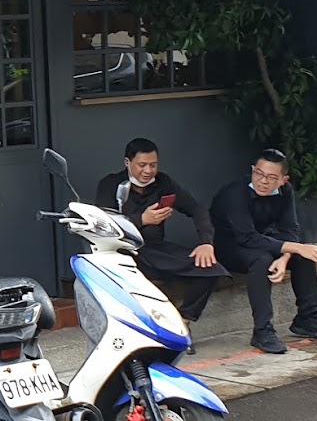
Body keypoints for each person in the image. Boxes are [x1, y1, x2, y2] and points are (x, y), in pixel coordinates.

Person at [95, 137, 227, 353]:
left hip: (155, 249)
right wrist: (141, 219)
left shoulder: (164, 183)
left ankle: (181, 324)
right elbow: (103, 223)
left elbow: (197, 209)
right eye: (142, 165)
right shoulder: (111, 185)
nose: (148, 171)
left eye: (153, 165)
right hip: (122, 251)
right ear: (128, 162)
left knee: (210, 268)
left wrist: (206, 242)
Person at [209, 148, 317, 354]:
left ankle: (307, 319)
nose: (263, 181)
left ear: (283, 180)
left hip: (265, 242)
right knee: (262, 259)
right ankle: (262, 331)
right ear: (253, 170)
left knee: (302, 254)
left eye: (272, 177)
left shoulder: (285, 191)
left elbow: (290, 229)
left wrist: (286, 256)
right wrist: (293, 248)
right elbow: (247, 237)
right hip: (230, 248)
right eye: (259, 174)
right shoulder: (234, 193)